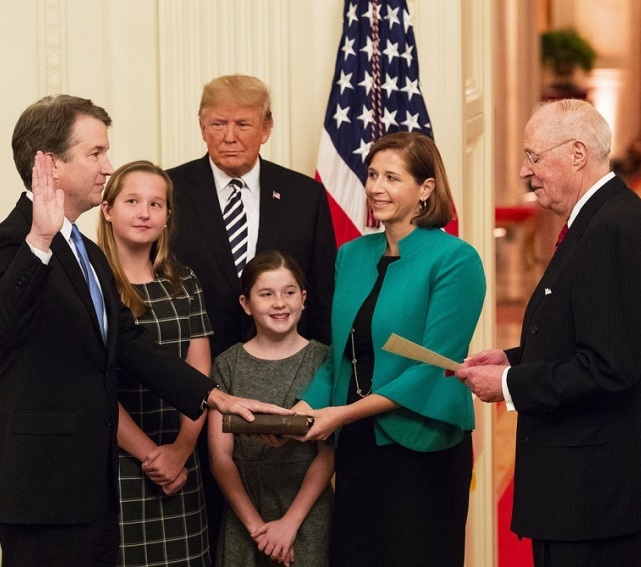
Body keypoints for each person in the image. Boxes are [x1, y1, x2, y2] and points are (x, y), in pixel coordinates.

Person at [0, 94, 288, 567]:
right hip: (41, 487)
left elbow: (131, 346)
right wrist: (38, 240)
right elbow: (3, 329)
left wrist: (217, 398)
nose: (108, 166)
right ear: (50, 164)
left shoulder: (86, 251)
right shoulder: (10, 242)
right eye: (95, 153)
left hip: (93, 489)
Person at [457, 99, 641, 567]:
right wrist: (513, 360)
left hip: (596, 493)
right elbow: (586, 335)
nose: (525, 171)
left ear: (578, 153)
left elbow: (609, 366)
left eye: (534, 157)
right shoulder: (599, 218)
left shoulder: (613, 230)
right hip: (585, 490)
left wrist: (507, 386)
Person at [295, 131, 486, 567]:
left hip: (423, 447)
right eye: (372, 174)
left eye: (392, 177)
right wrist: (302, 409)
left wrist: (340, 414)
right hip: (359, 447)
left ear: (426, 189)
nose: (376, 187)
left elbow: (431, 368)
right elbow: (338, 355)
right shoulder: (351, 255)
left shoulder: (456, 260)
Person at [165, 74, 337, 556]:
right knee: (215, 535)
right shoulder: (171, 191)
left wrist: (317, 394)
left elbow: (321, 299)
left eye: (243, 123)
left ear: (267, 127)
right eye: (217, 123)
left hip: (293, 392)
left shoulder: (305, 195)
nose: (230, 135)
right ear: (201, 126)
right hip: (197, 390)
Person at [97, 160, 212, 566]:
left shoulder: (184, 281)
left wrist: (180, 450)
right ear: (108, 210)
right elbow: (93, 385)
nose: (144, 212)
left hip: (183, 464)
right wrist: (152, 456)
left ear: (167, 217)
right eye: (132, 200)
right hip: (120, 464)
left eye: (156, 203)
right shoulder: (92, 287)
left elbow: (200, 374)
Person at [207, 251, 333, 567]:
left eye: (289, 292)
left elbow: (327, 453)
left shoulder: (325, 361)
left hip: (306, 514)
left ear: (303, 299)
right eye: (266, 294)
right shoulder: (227, 365)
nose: (279, 303)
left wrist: (289, 524)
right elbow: (220, 456)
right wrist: (256, 528)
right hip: (245, 514)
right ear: (246, 304)